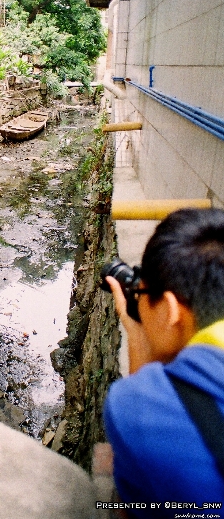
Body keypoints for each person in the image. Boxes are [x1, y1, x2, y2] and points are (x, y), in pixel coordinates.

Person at [104, 208, 224, 517]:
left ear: (170, 308)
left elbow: (137, 499)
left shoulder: (136, 405)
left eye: (142, 292)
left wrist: (139, 336)